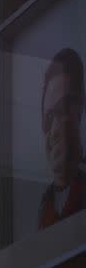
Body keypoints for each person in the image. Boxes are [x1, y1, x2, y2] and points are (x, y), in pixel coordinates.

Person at [38, 48, 86, 229]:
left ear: (81, 107)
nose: (55, 130)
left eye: (62, 109)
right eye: (48, 118)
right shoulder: (46, 203)